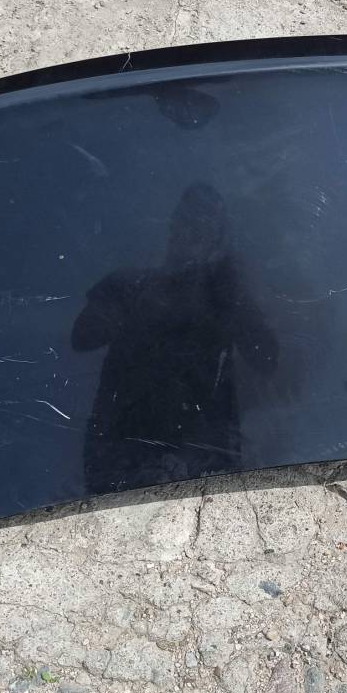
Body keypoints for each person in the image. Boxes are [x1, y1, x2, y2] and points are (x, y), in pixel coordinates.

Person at [71, 183, 277, 491]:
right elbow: (82, 338)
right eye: (186, 223)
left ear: (217, 240)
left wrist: (233, 296)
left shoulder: (225, 296)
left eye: (203, 228)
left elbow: (267, 359)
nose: (191, 234)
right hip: (121, 461)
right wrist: (138, 297)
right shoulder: (128, 285)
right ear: (171, 228)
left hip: (205, 468)